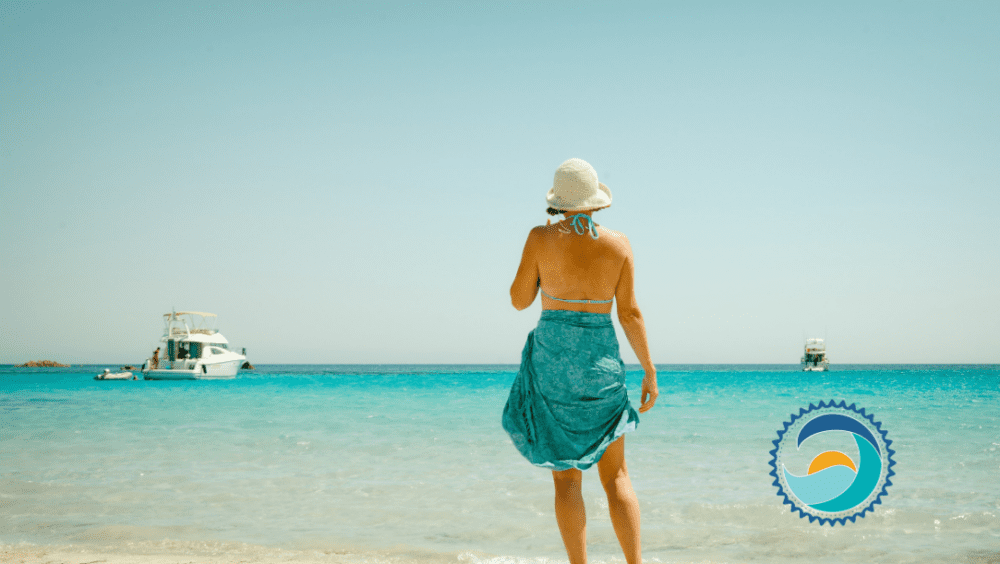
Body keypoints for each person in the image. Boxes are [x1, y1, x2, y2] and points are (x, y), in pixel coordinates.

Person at [503, 158, 658, 564]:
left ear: (558, 201)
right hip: (601, 369)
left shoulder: (540, 238)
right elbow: (629, 315)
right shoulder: (618, 244)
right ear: (596, 201)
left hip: (553, 368)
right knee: (617, 477)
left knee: (567, 480)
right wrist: (649, 371)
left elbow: (520, 301)